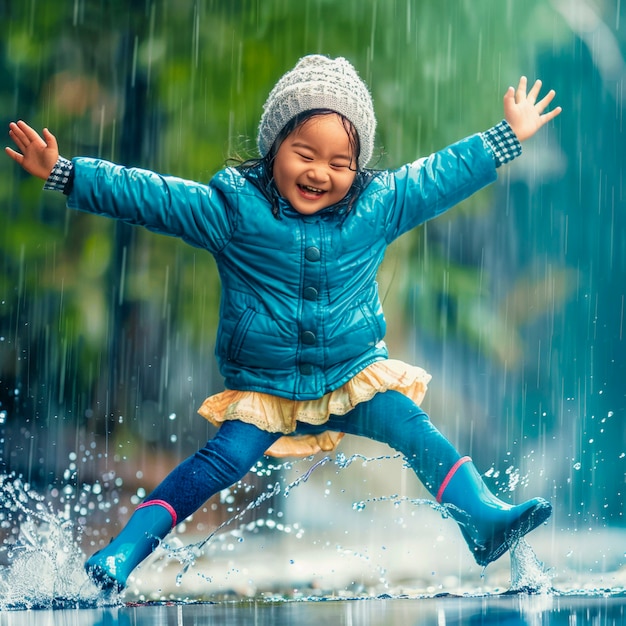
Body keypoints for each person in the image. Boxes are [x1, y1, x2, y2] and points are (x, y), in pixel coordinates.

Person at [5, 54, 561, 593]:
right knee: (215, 465)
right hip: (265, 389)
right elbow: (152, 197)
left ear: (358, 167)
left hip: (352, 375)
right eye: (305, 154)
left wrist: (506, 137)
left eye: (341, 163)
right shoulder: (232, 211)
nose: (321, 173)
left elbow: (442, 175)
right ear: (274, 148)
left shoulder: (380, 206)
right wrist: (64, 174)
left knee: (414, 428)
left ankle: (482, 519)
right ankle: (122, 552)